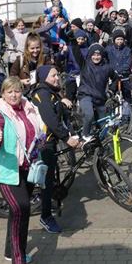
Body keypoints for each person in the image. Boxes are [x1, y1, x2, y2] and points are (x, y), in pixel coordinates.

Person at [0, 77, 45, 264]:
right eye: (9, 91)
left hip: (28, 168)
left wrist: (41, 137)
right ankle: (18, 260)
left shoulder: (28, 107)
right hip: (7, 171)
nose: (14, 95)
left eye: (17, 91)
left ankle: (10, 252)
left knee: (19, 212)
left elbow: (37, 129)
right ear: (3, 94)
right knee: (21, 207)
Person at [29, 65, 81, 234]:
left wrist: (62, 101)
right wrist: (67, 137)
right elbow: (50, 118)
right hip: (44, 144)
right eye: (53, 75)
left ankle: (46, 202)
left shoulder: (49, 92)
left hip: (49, 141)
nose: (57, 77)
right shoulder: (43, 94)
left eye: (57, 74)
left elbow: (57, 110)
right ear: (44, 77)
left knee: (49, 179)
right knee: (46, 182)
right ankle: (45, 217)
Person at [70, 43, 117, 137]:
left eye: (98, 55)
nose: (96, 57)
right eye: (94, 55)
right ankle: (85, 136)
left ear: (102, 55)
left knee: (104, 127)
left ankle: (100, 146)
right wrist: (72, 39)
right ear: (90, 55)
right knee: (89, 115)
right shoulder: (84, 64)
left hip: (100, 98)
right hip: (85, 95)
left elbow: (116, 79)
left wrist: (111, 91)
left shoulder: (107, 68)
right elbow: (76, 52)